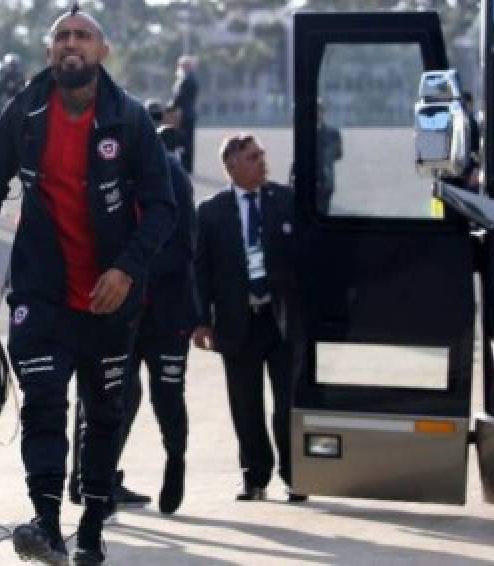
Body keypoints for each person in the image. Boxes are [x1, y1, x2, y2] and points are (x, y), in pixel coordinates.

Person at [0, 7, 175, 566]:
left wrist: (126, 269)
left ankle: (92, 529)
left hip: (109, 299)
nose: (72, 44)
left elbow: (165, 209)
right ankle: (45, 521)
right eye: (62, 36)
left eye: (84, 36)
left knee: (103, 415)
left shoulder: (130, 119)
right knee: (43, 405)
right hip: (42, 294)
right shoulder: (24, 112)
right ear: (50, 50)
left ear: (103, 51)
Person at [69, 118, 198, 516]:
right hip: (116, 314)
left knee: (167, 397)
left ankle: (175, 459)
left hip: (164, 310)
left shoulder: (173, 178)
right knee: (109, 395)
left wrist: (131, 270)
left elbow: (183, 248)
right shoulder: (109, 174)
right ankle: (95, 483)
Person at [191, 134, 305, 503]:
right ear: (232, 166)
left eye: (261, 155)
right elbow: (200, 271)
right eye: (253, 157)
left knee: (288, 404)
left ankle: (295, 476)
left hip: (280, 321)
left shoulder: (285, 201)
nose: (261, 161)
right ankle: (255, 477)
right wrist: (200, 320)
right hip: (237, 321)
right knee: (246, 406)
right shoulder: (211, 212)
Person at [171, 54, 199, 175]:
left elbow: (179, 98)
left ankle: (186, 167)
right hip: (188, 113)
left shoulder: (187, 80)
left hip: (184, 115)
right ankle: (187, 166)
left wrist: (170, 107)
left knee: (185, 142)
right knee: (187, 142)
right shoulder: (189, 78)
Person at [316, 102, 343, 213]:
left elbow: (338, 154)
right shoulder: (303, 131)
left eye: (319, 111)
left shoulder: (333, 133)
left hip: (325, 182)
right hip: (307, 182)